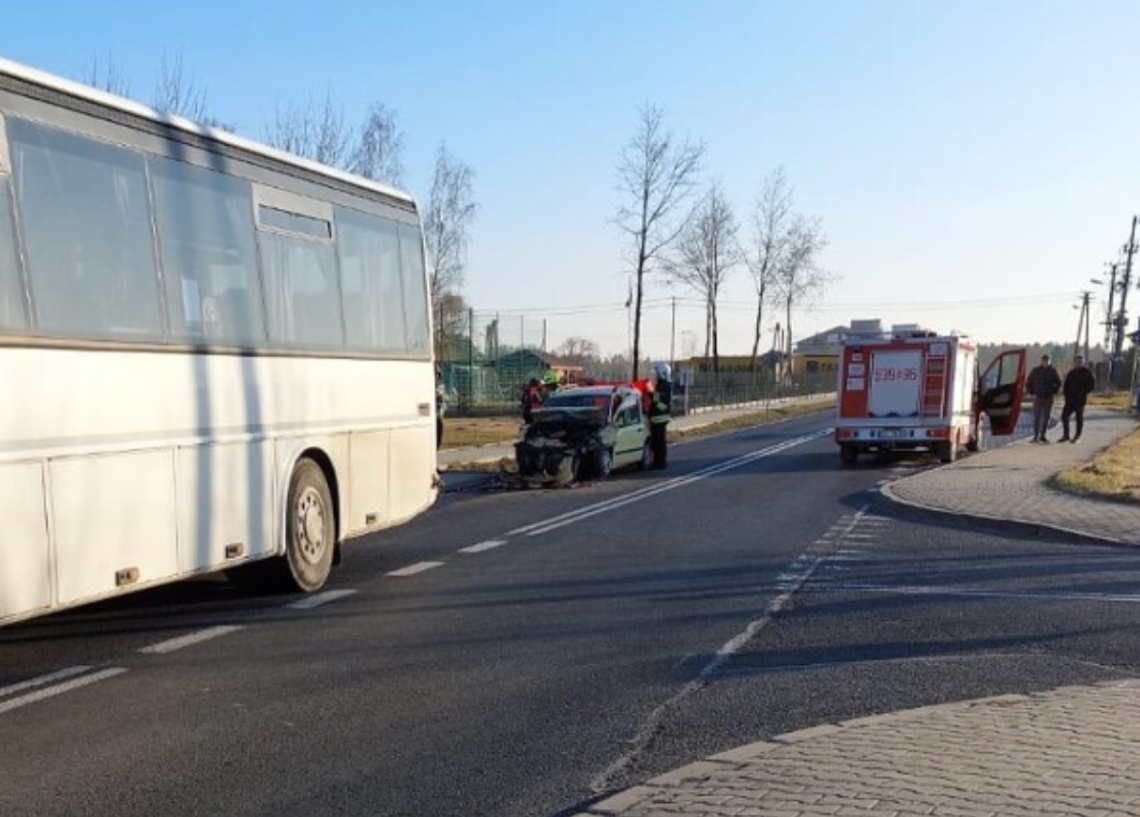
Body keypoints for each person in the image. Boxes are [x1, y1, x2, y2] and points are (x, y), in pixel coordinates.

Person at [1025, 353, 1061, 443]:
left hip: (1049, 397)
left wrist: (1054, 390)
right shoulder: (1035, 371)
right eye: (1044, 361)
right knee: (1037, 418)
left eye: (1047, 361)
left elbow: (1059, 383)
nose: (1045, 362)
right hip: (1038, 397)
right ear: (1041, 361)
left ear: (1049, 361)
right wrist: (1031, 392)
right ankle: (1035, 436)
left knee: (1046, 417)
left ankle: (1043, 436)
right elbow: (1028, 382)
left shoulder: (1053, 371)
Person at [1059, 354, 1096, 443]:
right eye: (1077, 362)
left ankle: (1077, 436)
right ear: (1074, 362)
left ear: (1082, 362)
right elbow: (1066, 385)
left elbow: (1091, 385)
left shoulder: (1087, 373)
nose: (1078, 363)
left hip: (1080, 400)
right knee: (1064, 416)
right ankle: (1066, 435)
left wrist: (1083, 393)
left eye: (1080, 362)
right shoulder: (1071, 373)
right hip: (1070, 400)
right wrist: (1065, 395)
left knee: (1079, 418)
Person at [648, 361, 673, 469]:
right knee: (656, 442)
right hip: (657, 419)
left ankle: (660, 463)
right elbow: (657, 399)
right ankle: (657, 462)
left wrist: (650, 395)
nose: (656, 375)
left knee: (659, 442)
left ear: (663, 373)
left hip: (660, 419)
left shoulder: (664, 386)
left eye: (657, 373)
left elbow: (661, 403)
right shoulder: (661, 385)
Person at [435, 366, 446, 448]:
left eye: (437, 375)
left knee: (439, 422)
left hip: (438, 407)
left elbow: (441, 397)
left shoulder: (440, 385)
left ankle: (438, 444)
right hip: (434, 406)